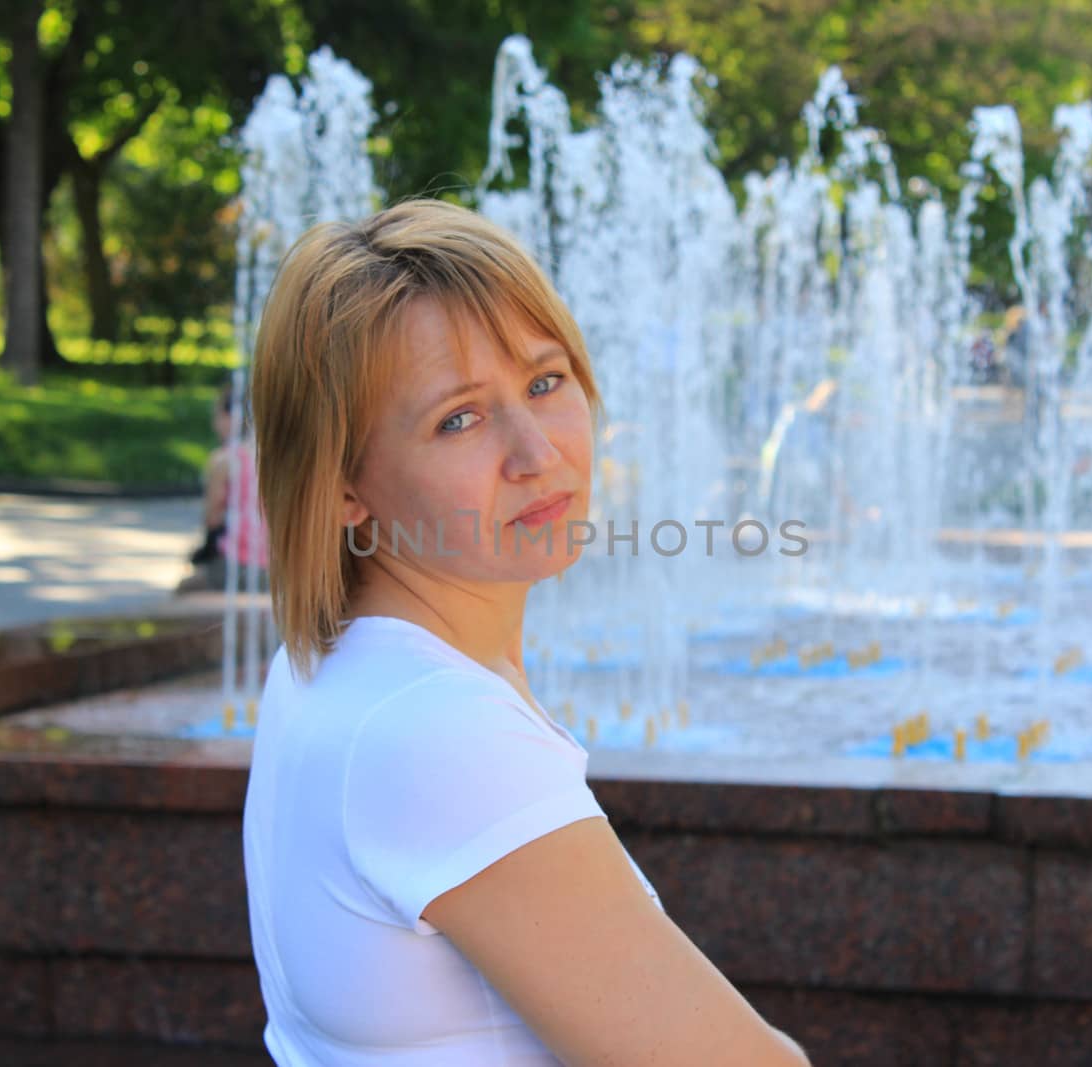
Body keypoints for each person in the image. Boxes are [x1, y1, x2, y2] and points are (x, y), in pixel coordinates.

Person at [243, 199, 810, 1066]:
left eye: (546, 382)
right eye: (458, 419)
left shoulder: (337, 664)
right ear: (344, 485)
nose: (536, 451)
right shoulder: (436, 727)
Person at [178, 380, 268, 593]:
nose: (214, 424)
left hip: (239, 563)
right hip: (280, 569)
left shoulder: (225, 460)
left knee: (185, 590)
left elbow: (213, 517)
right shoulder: (279, 458)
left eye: (217, 416)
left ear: (232, 417)